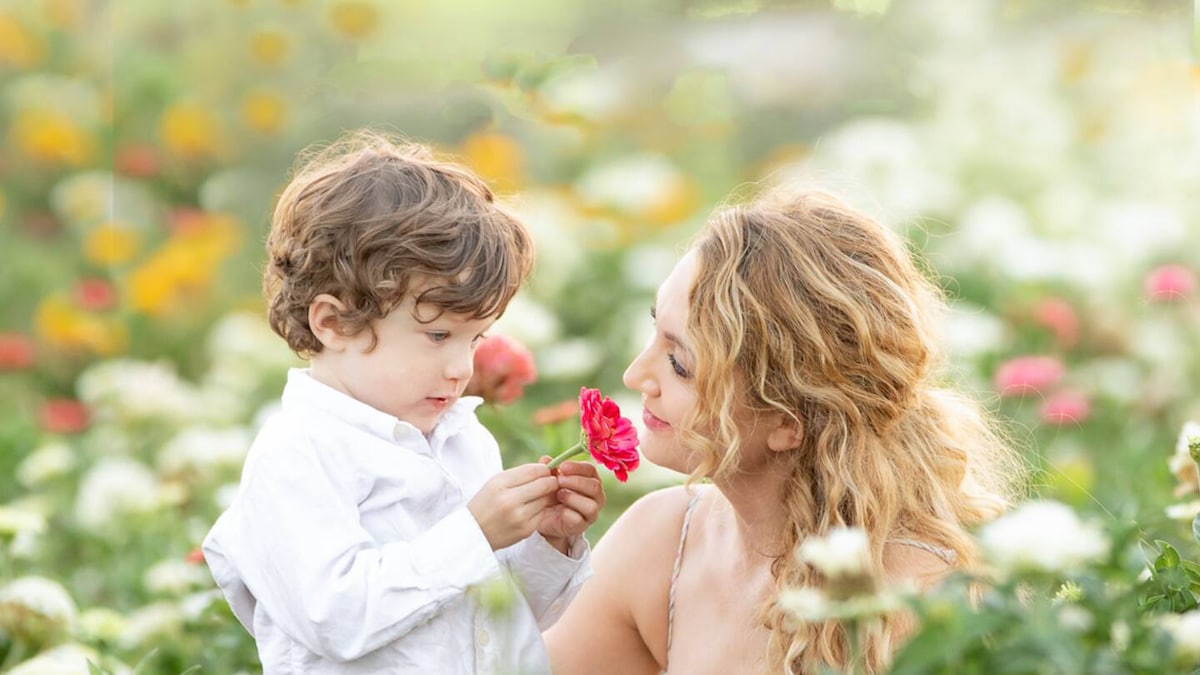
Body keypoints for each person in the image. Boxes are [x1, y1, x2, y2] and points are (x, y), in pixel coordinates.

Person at [545, 188, 1021, 674]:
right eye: (656, 331)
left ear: (787, 422)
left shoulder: (925, 605)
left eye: (680, 363)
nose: (634, 376)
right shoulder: (663, 542)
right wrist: (535, 560)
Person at [202, 129, 604, 674]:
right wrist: (475, 533)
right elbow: (335, 619)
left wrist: (549, 543)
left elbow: (494, 619)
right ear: (334, 322)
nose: (463, 368)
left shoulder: (462, 439)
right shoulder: (297, 455)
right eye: (438, 335)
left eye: (476, 339)